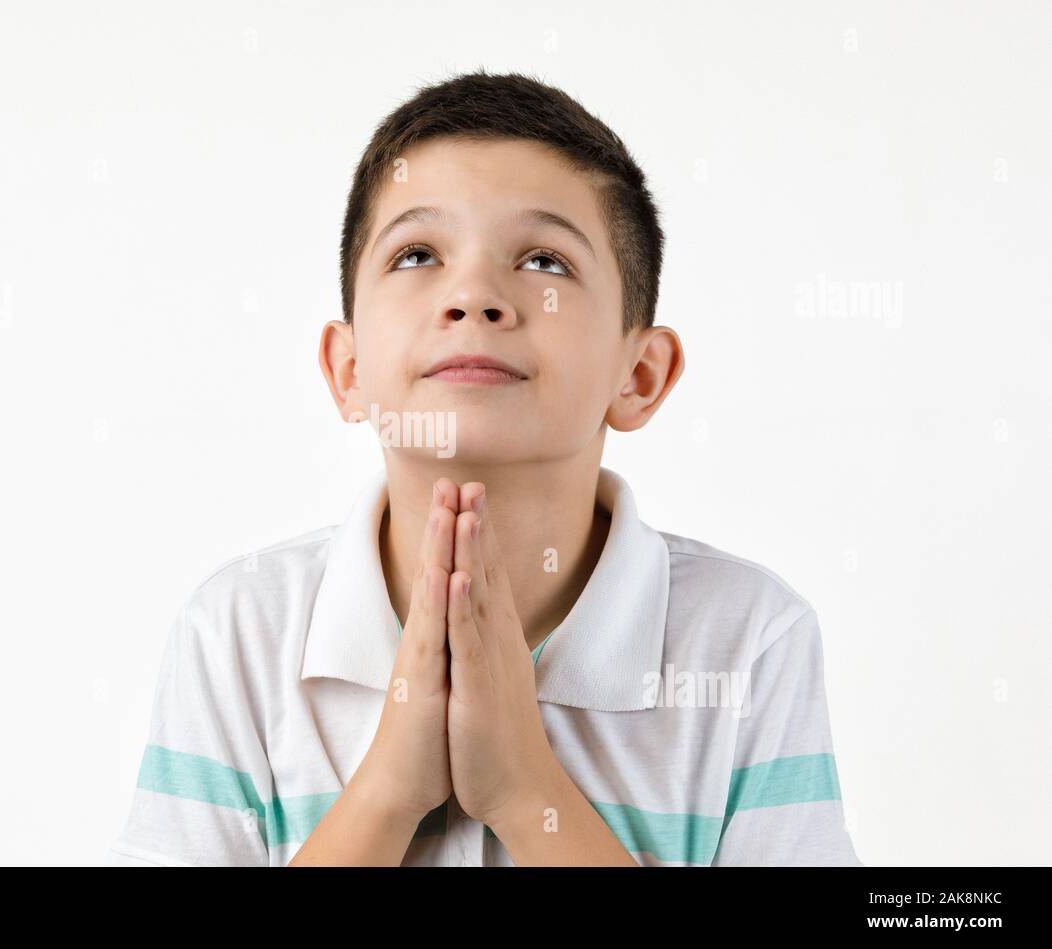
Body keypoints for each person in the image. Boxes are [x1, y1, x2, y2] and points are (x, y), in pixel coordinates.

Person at [106, 69, 861, 866]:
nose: (474, 295)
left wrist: (525, 788)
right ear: (348, 369)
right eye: (418, 253)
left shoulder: (748, 642)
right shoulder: (240, 635)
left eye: (543, 261)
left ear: (638, 375)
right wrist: (388, 792)